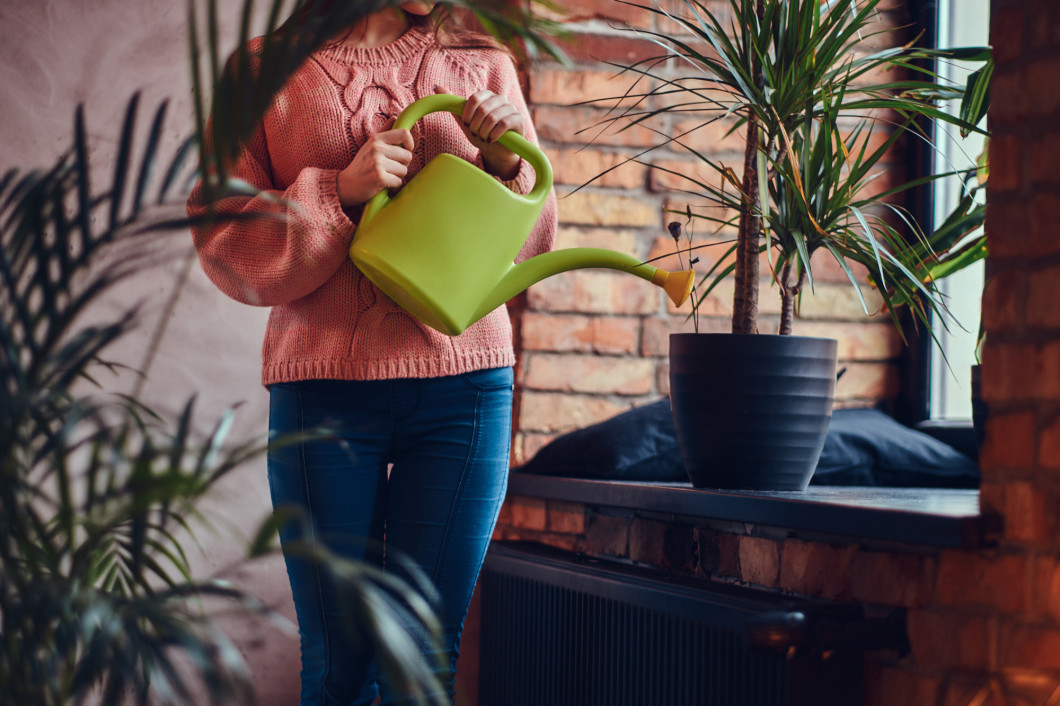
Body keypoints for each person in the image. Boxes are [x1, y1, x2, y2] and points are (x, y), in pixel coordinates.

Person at [187, 2, 557, 704]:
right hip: (322, 393)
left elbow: (533, 242)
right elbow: (223, 237)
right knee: (339, 663)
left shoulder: (484, 61)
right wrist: (338, 193)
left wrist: (505, 163)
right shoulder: (262, 74)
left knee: (422, 659)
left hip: (466, 390)